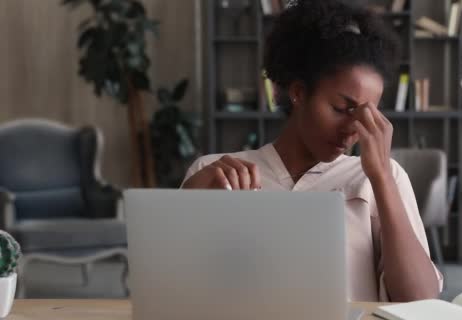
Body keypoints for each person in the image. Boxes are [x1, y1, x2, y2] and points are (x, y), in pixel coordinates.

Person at [182, 0, 442, 302]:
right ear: (298, 92)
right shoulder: (215, 173)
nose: (353, 128)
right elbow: (171, 289)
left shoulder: (381, 179)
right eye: (342, 108)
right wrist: (190, 199)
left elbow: (422, 303)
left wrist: (382, 177)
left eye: (366, 115)